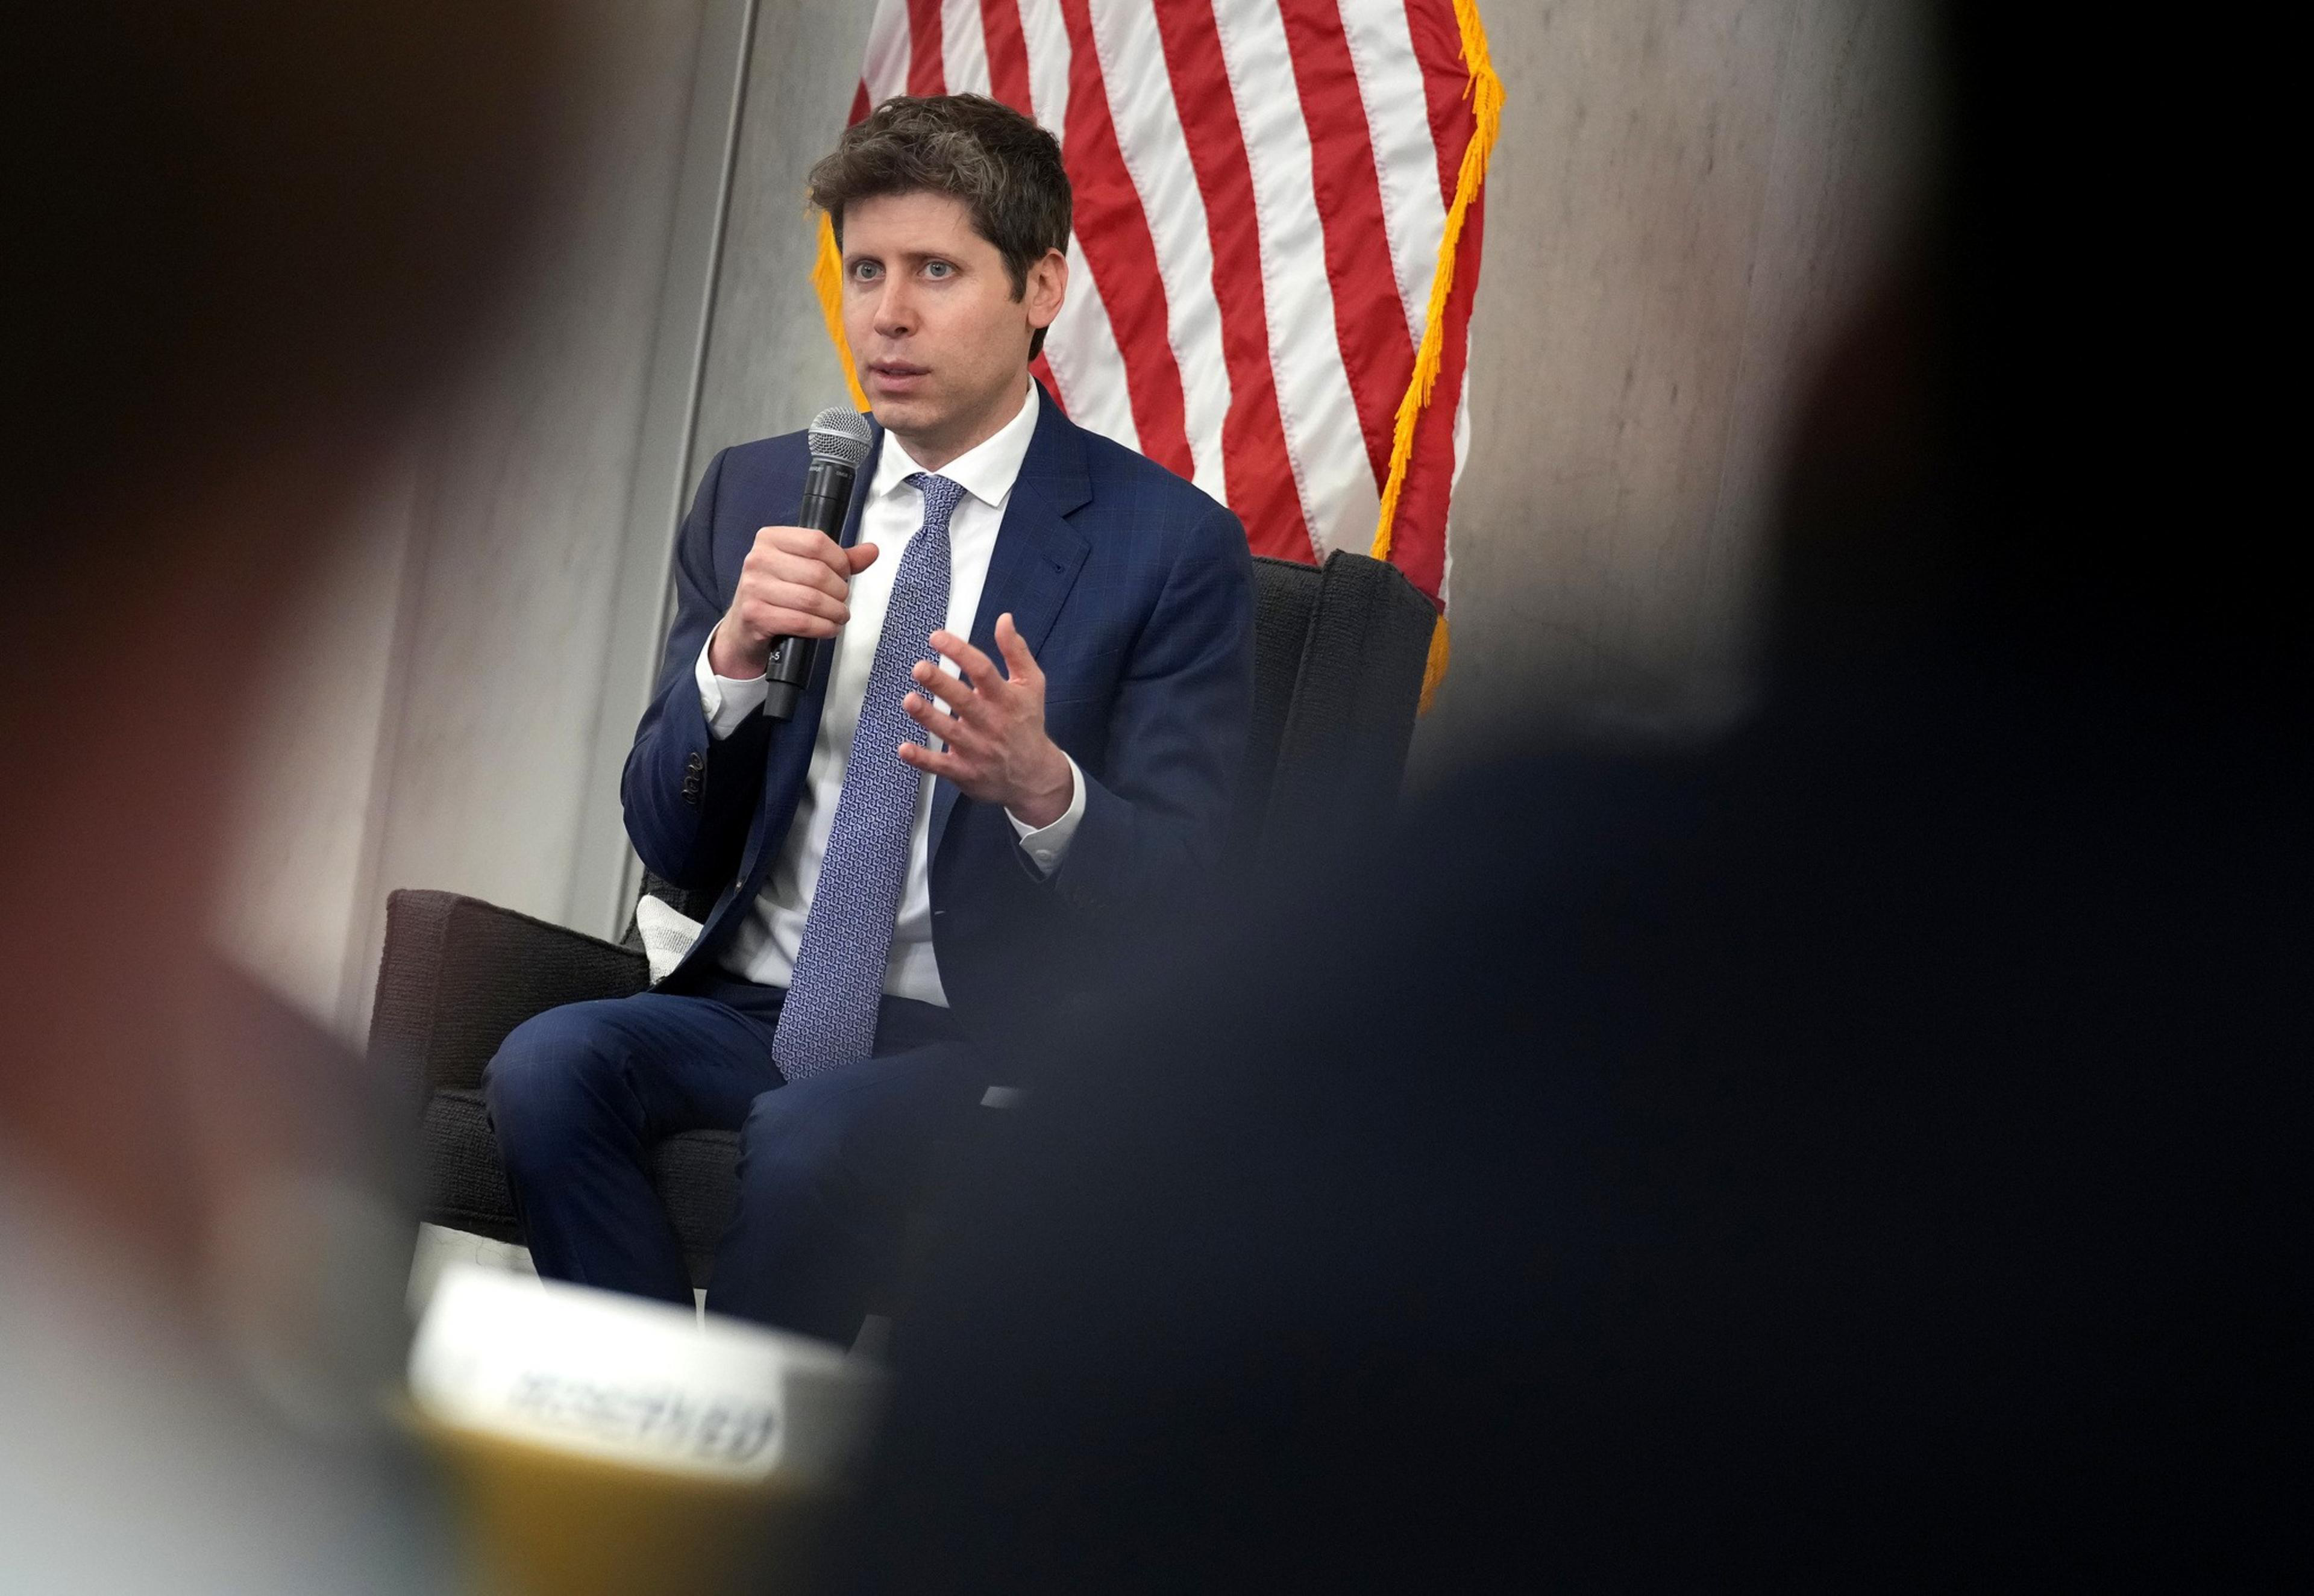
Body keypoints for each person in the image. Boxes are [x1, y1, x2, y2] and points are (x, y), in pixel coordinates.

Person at [484, 93, 1256, 1344]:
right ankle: (660, 1433)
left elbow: (1188, 887)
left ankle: (735, 1496)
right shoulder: (762, 490)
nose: (886, 315)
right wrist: (729, 664)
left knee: (804, 1142)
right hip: (751, 1001)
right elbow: (666, 839)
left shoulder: (1167, 548)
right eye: (866, 272)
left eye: (936, 272)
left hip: (978, 1037)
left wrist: (1043, 786)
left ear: (1041, 287)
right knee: (546, 1065)